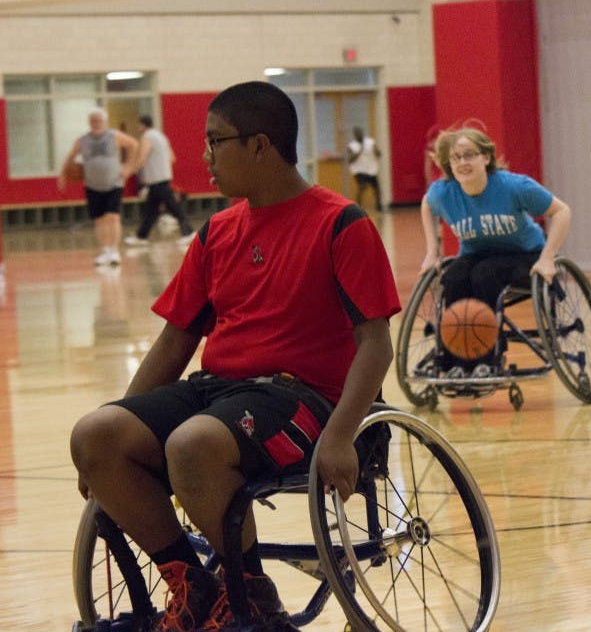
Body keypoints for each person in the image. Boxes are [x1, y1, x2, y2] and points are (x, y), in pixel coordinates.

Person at [70, 81, 400, 632]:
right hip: (219, 390)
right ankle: (196, 589)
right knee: (95, 433)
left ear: (260, 146)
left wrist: (341, 435)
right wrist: (114, 443)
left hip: (306, 400)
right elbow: (175, 341)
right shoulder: (217, 232)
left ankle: (251, 597)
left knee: (193, 443)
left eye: (215, 141)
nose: (204, 156)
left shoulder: (341, 223)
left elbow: (376, 343)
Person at [419, 127, 571, 377]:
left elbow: (562, 211)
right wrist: (432, 252)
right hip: (478, 254)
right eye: (456, 157)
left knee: (483, 274)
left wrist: (547, 259)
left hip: (524, 255)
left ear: (486, 158)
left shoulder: (514, 186)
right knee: (455, 276)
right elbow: (427, 206)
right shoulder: (444, 192)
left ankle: (488, 357)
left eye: (469, 155)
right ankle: (456, 358)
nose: (462, 162)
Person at [58, 108, 139, 266]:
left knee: (113, 216)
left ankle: (114, 251)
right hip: (92, 184)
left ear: (104, 122)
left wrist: (128, 166)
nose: (96, 123)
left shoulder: (113, 135)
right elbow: (70, 157)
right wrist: (62, 175)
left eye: (99, 120)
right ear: (89, 123)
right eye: (93, 121)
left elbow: (133, 144)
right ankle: (105, 251)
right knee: (100, 219)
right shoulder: (82, 140)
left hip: (114, 183)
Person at [124, 115, 197, 246]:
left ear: (142, 125)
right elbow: (172, 158)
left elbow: (142, 157)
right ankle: (141, 237)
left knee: (173, 207)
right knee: (151, 210)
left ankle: (189, 232)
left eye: (139, 125)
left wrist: (130, 171)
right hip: (162, 177)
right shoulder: (161, 137)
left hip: (157, 179)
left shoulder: (148, 137)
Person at [347, 126, 382, 212]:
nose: (359, 135)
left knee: (377, 188)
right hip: (359, 170)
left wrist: (376, 151)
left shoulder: (370, 142)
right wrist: (360, 151)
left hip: (371, 170)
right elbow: (350, 159)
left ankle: (379, 206)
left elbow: (378, 153)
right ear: (355, 135)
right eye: (357, 133)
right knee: (362, 187)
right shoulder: (351, 146)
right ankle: (358, 207)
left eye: (360, 133)